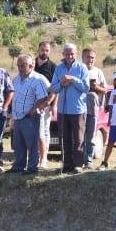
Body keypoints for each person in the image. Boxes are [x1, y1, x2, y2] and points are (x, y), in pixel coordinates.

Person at [48, 43, 89, 174]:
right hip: (63, 110)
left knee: (78, 138)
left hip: (77, 109)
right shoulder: (59, 68)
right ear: (63, 54)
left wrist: (73, 79)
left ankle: (78, 164)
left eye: (72, 53)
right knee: (64, 138)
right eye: (67, 53)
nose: (69, 56)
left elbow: (86, 88)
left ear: (76, 54)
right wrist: (61, 83)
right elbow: (53, 88)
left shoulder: (82, 68)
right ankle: (67, 164)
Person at [10, 54, 51, 174]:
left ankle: (32, 167)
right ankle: (18, 166)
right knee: (18, 144)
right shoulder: (16, 79)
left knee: (32, 144)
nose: (20, 68)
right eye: (19, 66)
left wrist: (32, 110)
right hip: (17, 116)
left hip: (30, 117)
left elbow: (43, 97)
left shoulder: (37, 79)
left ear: (31, 66)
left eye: (23, 66)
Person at [34, 41, 56, 159]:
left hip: (46, 102)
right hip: (31, 102)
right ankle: (34, 155)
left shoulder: (53, 67)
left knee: (45, 129)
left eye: (47, 50)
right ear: (38, 49)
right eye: (42, 50)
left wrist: (53, 105)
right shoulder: (31, 63)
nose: (44, 52)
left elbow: (56, 88)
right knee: (33, 130)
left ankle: (44, 156)